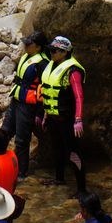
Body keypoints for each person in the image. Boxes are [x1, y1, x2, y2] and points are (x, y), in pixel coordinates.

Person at [39, 35, 87, 195]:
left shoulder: (72, 71)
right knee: (57, 149)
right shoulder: (52, 65)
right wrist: (46, 115)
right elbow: (49, 93)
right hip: (53, 117)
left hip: (68, 120)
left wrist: (78, 119)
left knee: (74, 154)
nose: (51, 53)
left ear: (64, 52)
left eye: (54, 50)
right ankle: (59, 178)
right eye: (50, 50)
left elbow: (79, 97)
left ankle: (81, 189)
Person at [3, 31, 49, 180]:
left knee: (22, 139)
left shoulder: (42, 63)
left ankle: (21, 172)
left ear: (38, 47)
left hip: (29, 104)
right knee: (4, 132)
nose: (26, 46)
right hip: (16, 99)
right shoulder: (26, 57)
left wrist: (39, 113)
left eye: (29, 44)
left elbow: (44, 89)